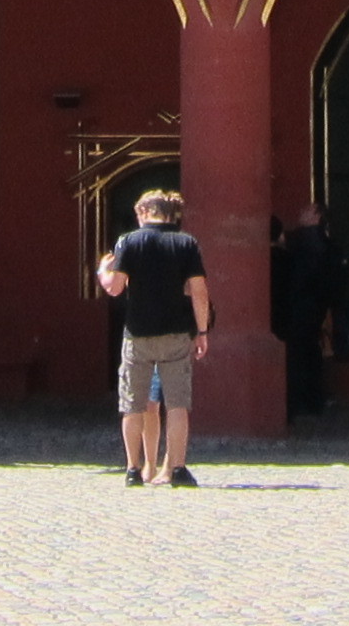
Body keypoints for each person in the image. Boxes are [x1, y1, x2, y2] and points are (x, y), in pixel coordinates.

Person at [97, 186, 212, 487]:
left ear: (145, 212)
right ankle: (178, 468)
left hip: (138, 334)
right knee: (177, 405)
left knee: (133, 404)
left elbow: (115, 288)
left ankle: (133, 470)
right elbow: (199, 291)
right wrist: (202, 331)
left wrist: (102, 272)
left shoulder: (129, 241)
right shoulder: (186, 243)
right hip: (175, 333)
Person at [273, 204, 344, 419]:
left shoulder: (302, 240)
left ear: (316, 216)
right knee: (310, 352)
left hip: (297, 307)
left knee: (296, 356)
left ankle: (296, 403)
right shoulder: (327, 244)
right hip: (315, 308)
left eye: (307, 210)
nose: (301, 212)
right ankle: (314, 401)